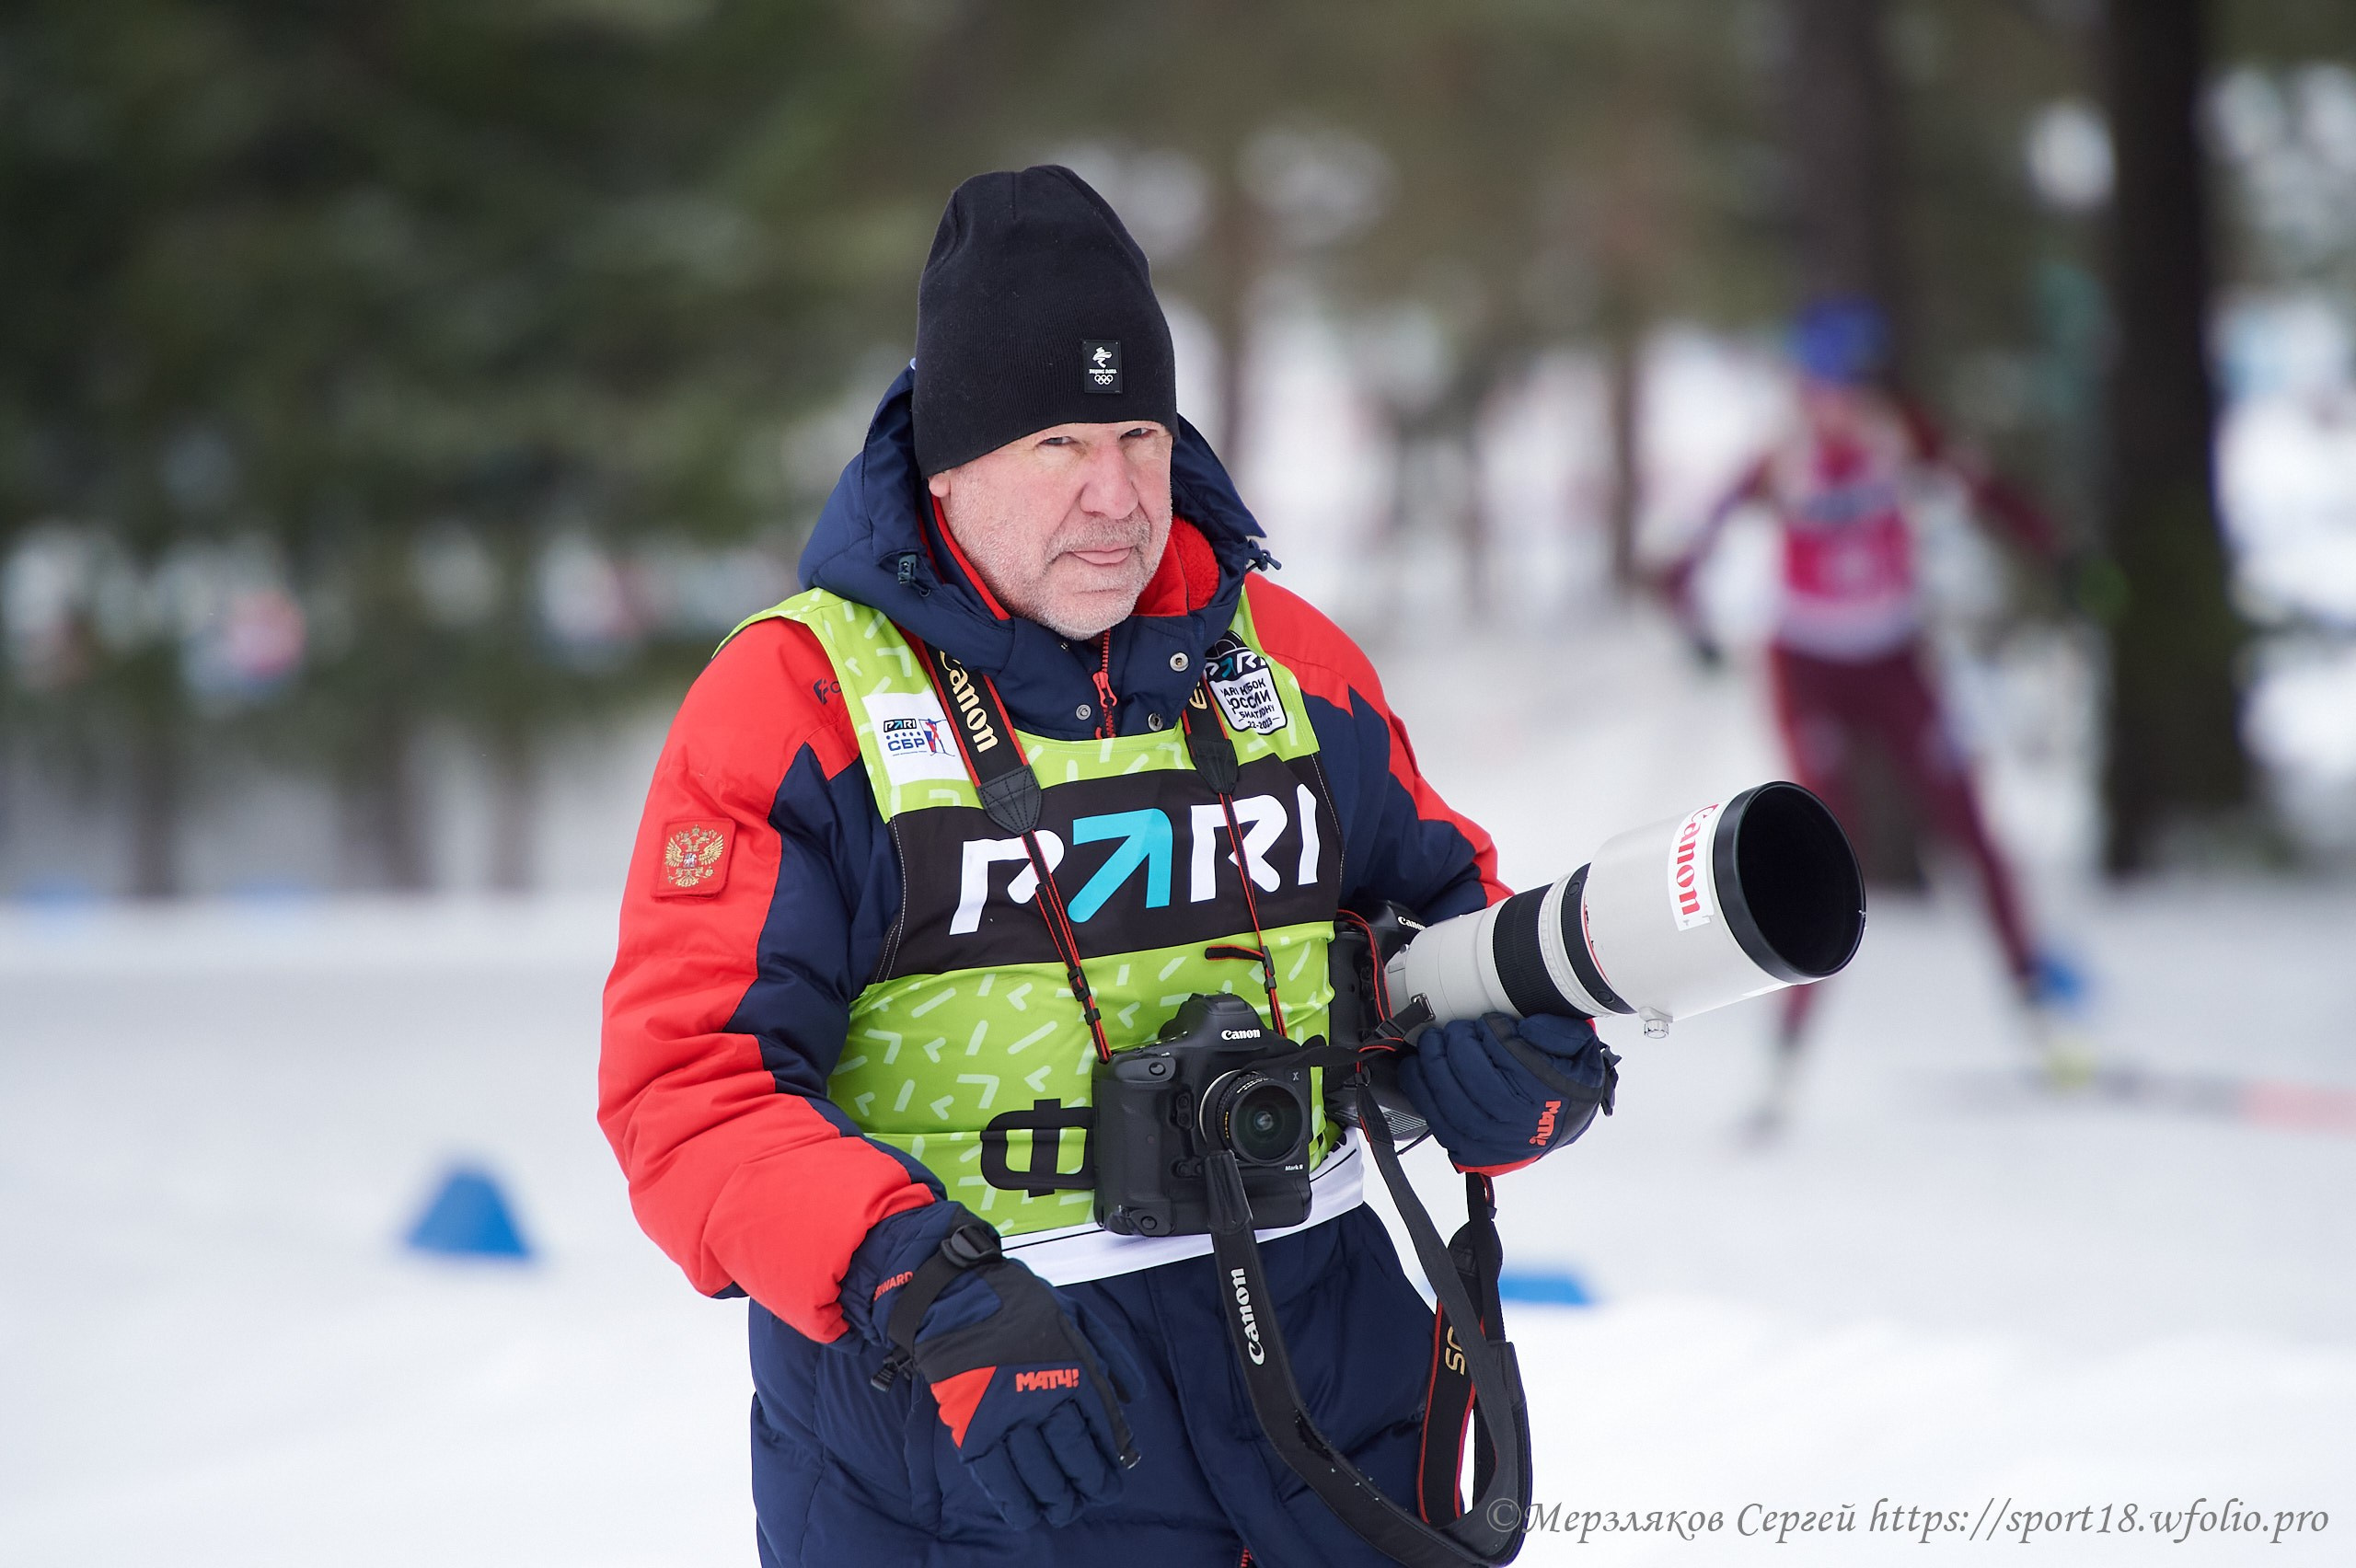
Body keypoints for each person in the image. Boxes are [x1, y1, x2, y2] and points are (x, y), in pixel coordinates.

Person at [598, 166, 1617, 1567]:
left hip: (1334, 1412)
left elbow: (1452, 932)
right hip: (993, 1437)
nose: (1117, 495)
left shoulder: (1289, 660)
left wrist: (1527, 1072)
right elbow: (686, 1096)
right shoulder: (797, 703)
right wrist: (926, 1287)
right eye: (1059, 443)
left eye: (1139, 433)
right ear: (948, 466)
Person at [1657, 297, 2082, 1135]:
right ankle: (1783, 1065)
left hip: (1892, 659)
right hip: (1808, 665)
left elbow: (1990, 491)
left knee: (1967, 818)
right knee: (1823, 844)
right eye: (1826, 385)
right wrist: (1692, 621)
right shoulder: (1784, 459)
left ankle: (2040, 1016)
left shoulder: (1901, 436)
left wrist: (2057, 552)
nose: (1840, 403)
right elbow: (1692, 544)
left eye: (1853, 384)